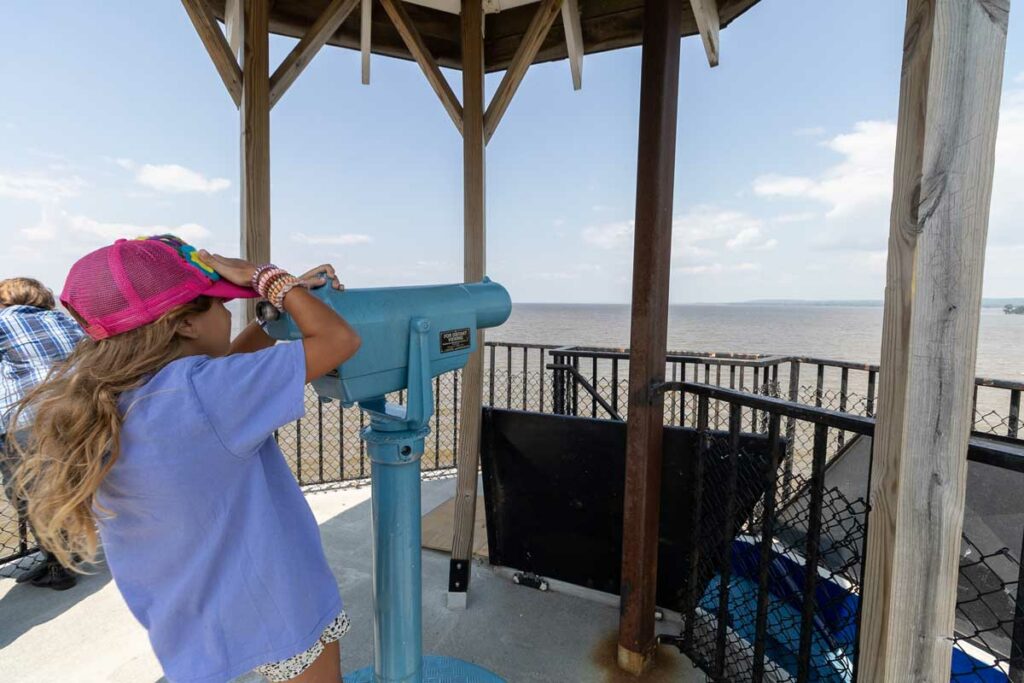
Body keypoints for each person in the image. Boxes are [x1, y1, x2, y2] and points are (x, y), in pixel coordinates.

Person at [12, 235, 361, 683]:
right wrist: (267, 278)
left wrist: (272, 309)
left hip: (191, 615)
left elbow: (228, 372)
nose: (227, 314)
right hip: (277, 602)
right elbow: (338, 339)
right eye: (219, 304)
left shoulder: (117, 396)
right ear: (184, 324)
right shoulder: (208, 394)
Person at [0, 276, 84, 590]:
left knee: (30, 492)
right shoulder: (64, 321)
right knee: (66, 482)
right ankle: (66, 552)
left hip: (26, 418)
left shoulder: (3, 322)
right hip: (75, 411)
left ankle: (59, 566)